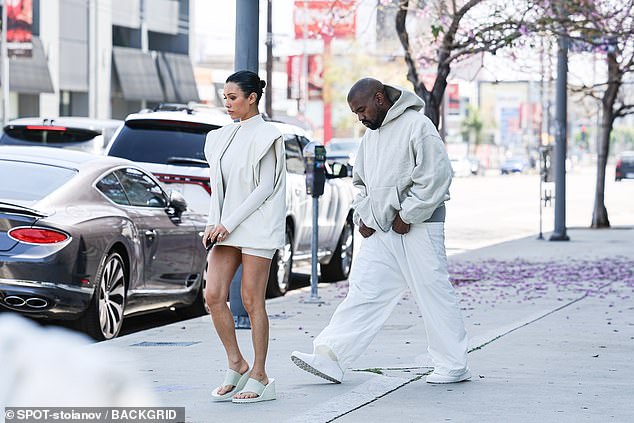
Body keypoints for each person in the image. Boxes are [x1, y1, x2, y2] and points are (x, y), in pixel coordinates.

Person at [290, 78, 471, 384]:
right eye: (354, 112)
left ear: (378, 98)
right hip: (381, 230)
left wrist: (409, 213)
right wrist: (366, 216)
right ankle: (330, 356)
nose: (359, 117)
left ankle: (453, 364)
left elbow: (437, 177)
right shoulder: (370, 137)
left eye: (361, 109)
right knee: (364, 291)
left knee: (432, 292)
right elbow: (360, 183)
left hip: (420, 226)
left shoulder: (418, 126)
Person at [203, 70, 286, 403]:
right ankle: (236, 363)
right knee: (213, 295)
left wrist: (229, 222)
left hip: (257, 227)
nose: (227, 103)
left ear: (252, 97)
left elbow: (265, 187)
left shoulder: (268, 134)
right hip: (226, 228)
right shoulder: (220, 136)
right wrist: (214, 224)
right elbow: (218, 189)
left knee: (252, 301)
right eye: (224, 97)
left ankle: (261, 375)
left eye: (233, 97)